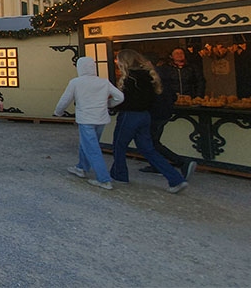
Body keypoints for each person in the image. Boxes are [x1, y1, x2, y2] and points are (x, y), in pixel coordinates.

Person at [110, 50, 189, 193]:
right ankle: (175, 178)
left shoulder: (129, 79)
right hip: (145, 116)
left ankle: (120, 175)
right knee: (148, 149)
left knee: (119, 146)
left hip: (130, 116)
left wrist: (111, 105)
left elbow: (127, 102)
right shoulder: (150, 75)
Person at [54, 57, 124, 189]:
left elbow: (65, 100)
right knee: (88, 144)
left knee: (92, 148)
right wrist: (108, 104)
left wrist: (58, 112)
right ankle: (81, 167)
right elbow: (120, 97)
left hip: (86, 119)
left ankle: (104, 179)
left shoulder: (76, 82)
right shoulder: (103, 82)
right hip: (101, 118)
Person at [149, 48, 202, 178]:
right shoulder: (166, 70)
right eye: (176, 53)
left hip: (162, 110)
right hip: (166, 109)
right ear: (171, 56)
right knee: (151, 141)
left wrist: (198, 96)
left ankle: (178, 165)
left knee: (151, 142)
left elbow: (200, 82)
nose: (179, 55)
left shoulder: (191, 68)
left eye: (181, 53)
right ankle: (161, 165)